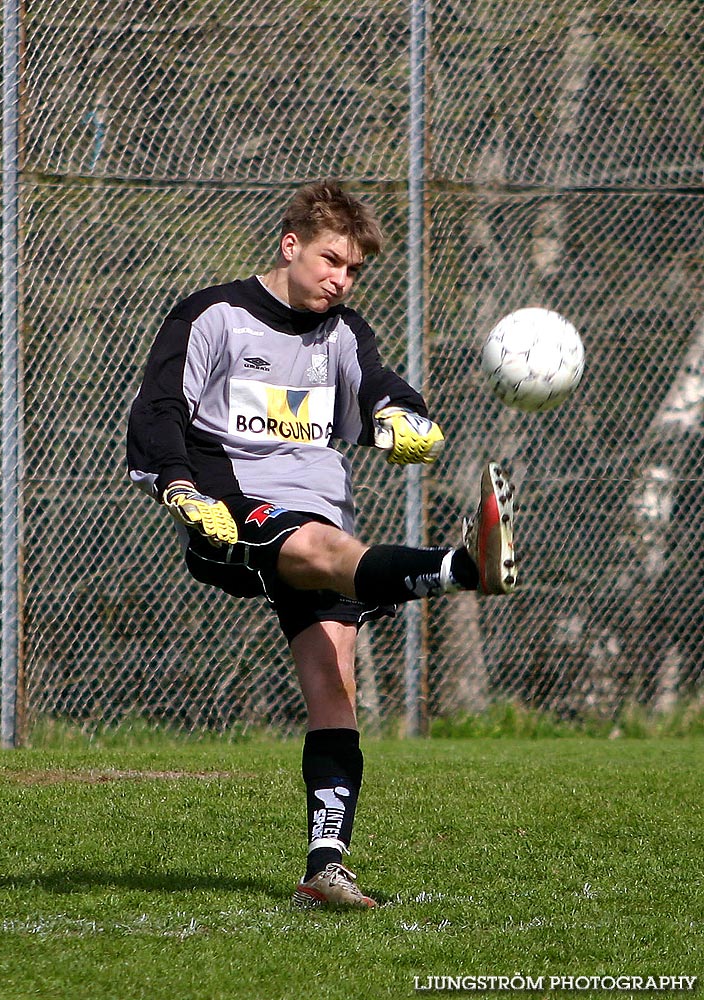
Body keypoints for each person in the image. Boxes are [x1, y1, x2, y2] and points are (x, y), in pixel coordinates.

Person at [126, 180, 517, 910]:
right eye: (332, 260)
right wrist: (180, 489)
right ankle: (462, 566)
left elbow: (375, 384)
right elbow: (159, 408)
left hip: (318, 510)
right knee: (316, 550)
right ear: (291, 244)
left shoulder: (342, 330)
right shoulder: (214, 315)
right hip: (233, 508)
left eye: (355, 270)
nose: (341, 279)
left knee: (335, 684)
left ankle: (324, 868)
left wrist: (401, 417)